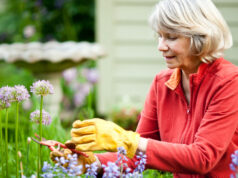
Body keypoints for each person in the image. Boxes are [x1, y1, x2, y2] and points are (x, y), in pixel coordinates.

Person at [51, 0, 238, 177]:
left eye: (171, 37)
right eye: (160, 36)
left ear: (200, 37)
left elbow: (202, 158)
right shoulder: (162, 84)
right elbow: (136, 158)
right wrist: (91, 163)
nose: (160, 46)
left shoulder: (229, 82)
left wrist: (127, 139)